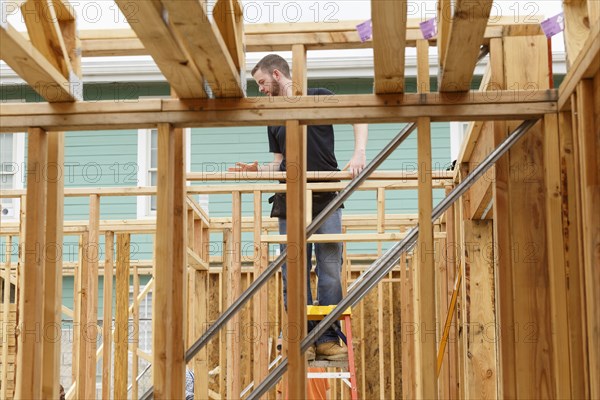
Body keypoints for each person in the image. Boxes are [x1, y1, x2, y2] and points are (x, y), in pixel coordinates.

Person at [231, 54, 368, 361]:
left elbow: (359, 114)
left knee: (330, 268)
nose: (261, 90)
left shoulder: (318, 98)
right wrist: (258, 171)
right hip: (290, 201)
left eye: (262, 83)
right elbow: (278, 165)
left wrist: (359, 153)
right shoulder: (273, 116)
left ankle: (328, 337)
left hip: (325, 196)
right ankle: (302, 335)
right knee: (293, 269)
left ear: (277, 74)